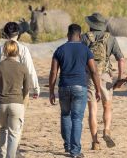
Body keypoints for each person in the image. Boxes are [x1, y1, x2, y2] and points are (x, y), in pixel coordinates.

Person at [49, 24, 102, 158]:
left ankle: (67, 145)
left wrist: (51, 91)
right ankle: (75, 151)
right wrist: (98, 89)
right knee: (77, 119)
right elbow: (94, 71)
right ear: (80, 36)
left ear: (68, 35)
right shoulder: (85, 50)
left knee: (65, 115)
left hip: (64, 87)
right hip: (80, 87)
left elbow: (53, 72)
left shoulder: (59, 50)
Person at [0, 22, 40, 156]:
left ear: (5, 34)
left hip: (2, 92)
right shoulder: (23, 49)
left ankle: (4, 153)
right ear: (18, 34)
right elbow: (29, 70)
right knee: (17, 125)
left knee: (4, 127)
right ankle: (15, 151)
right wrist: (35, 88)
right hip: (20, 91)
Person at [81, 13, 125, 150]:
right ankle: (106, 130)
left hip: (89, 76)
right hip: (105, 76)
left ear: (90, 24)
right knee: (107, 106)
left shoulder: (83, 38)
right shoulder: (110, 38)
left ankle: (95, 142)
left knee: (92, 110)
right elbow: (121, 59)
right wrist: (120, 77)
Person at [0, 40, 30, 158]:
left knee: (3, 128)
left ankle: (1, 154)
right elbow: (27, 88)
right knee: (14, 133)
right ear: (17, 52)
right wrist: (21, 98)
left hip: (1, 103)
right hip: (16, 102)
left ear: (5, 51)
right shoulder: (22, 67)